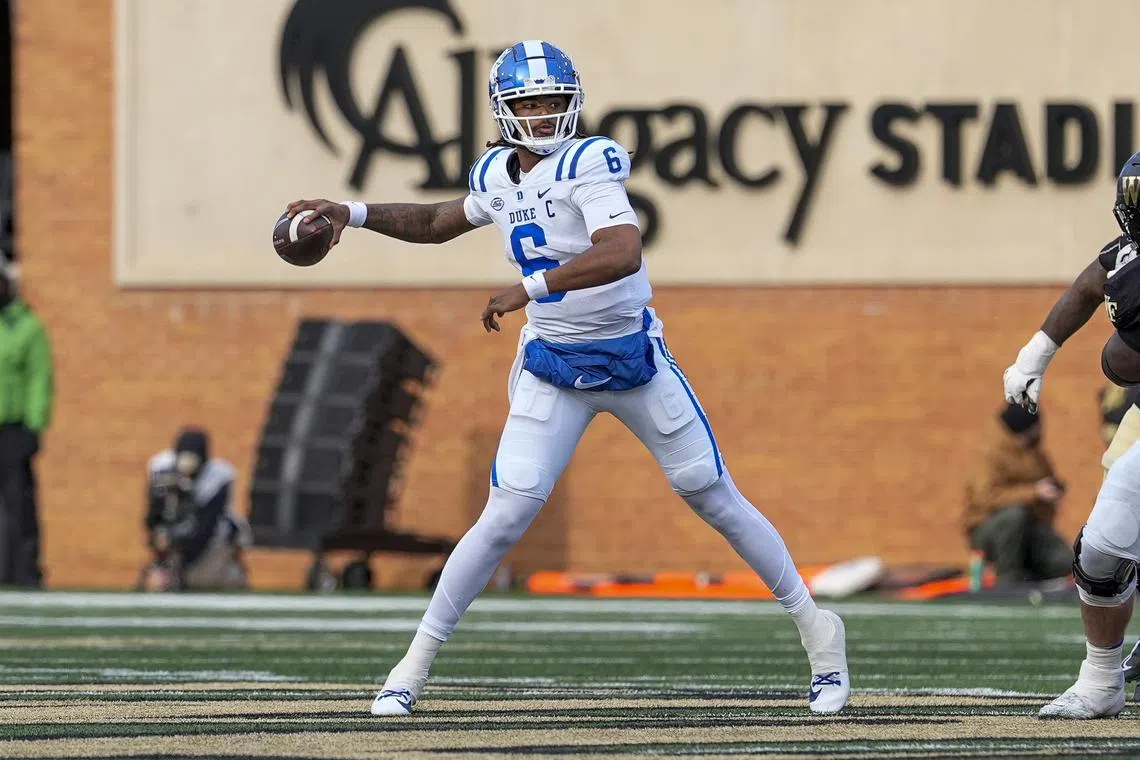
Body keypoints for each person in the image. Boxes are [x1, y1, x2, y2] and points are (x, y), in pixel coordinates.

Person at [286, 39, 849, 717]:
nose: (546, 112)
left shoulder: (590, 163)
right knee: (506, 514)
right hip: (553, 365)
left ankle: (820, 635)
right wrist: (352, 212)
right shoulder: (497, 174)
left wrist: (534, 285)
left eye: (554, 99)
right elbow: (438, 222)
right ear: (504, 111)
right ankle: (411, 669)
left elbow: (622, 249)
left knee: (710, 491)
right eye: (531, 102)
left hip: (630, 359)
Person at [1003, 150, 1140, 719]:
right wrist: (1035, 353)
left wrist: (1118, 355)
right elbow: (1093, 281)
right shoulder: (1129, 258)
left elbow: (1122, 356)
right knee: (1103, 550)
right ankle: (1101, 681)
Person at [963, 403, 1071, 584]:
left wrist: (1050, 493)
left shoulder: (1036, 455)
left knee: (1066, 561)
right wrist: (1034, 492)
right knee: (1014, 515)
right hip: (988, 530)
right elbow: (985, 498)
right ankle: (1008, 579)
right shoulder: (990, 454)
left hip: (1029, 530)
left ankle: (1033, 575)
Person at [140, 428, 250, 592]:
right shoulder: (160, 468)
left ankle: (231, 573)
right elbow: (154, 514)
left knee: (204, 581)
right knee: (161, 582)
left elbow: (207, 526)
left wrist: (183, 562)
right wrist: (159, 548)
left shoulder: (218, 477)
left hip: (211, 538)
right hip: (175, 530)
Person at [0, 266, 52, 587]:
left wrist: (34, 424)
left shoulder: (27, 328)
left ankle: (23, 571)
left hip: (13, 428)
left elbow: (39, 379)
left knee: (18, 504)